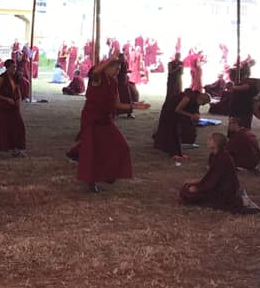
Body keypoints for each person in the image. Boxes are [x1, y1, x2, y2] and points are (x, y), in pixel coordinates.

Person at [70, 58, 150, 193]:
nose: (117, 73)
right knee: (93, 150)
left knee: (122, 146)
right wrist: (111, 59)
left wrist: (135, 106)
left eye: (119, 70)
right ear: (107, 67)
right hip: (92, 119)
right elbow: (95, 70)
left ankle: (106, 173)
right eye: (116, 69)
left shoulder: (113, 83)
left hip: (106, 120)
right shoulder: (97, 78)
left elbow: (117, 104)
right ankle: (91, 182)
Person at [179, 133, 243, 212]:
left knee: (188, 193)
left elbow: (215, 180)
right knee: (187, 187)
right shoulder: (214, 155)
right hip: (215, 185)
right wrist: (196, 183)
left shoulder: (223, 158)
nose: (208, 141)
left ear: (216, 143)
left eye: (210, 139)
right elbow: (210, 176)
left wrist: (198, 188)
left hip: (223, 191)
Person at [152, 88, 210, 160]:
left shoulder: (197, 99)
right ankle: (173, 153)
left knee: (181, 130)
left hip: (179, 112)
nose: (203, 105)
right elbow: (177, 110)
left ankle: (178, 152)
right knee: (172, 131)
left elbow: (195, 109)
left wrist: (197, 115)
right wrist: (191, 115)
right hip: (170, 110)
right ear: (200, 99)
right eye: (203, 103)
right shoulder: (187, 98)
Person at [0, 59, 26, 156]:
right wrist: (7, 99)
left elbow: (17, 89)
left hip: (14, 105)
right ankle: (6, 148)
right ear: (7, 68)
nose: (14, 69)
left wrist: (19, 100)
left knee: (19, 126)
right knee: (5, 128)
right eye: (12, 67)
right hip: (4, 106)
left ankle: (18, 148)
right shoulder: (2, 78)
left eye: (15, 67)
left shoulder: (15, 77)